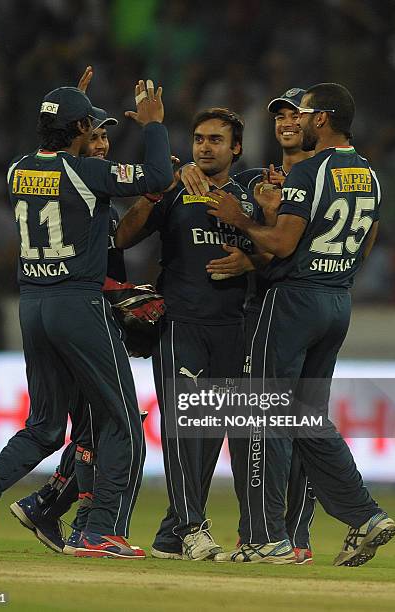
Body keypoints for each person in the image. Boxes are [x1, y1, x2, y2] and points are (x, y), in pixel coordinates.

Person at [0, 79, 174, 560]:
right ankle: (100, 531)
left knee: (47, 424)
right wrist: (154, 124)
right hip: (77, 303)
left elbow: (50, 169)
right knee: (123, 422)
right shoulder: (86, 173)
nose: (94, 130)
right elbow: (158, 175)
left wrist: (67, 105)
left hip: (33, 304)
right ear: (77, 129)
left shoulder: (16, 171)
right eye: (88, 123)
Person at [202, 82, 395, 566]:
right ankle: (364, 514)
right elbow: (368, 237)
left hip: (293, 300)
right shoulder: (369, 175)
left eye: (305, 114)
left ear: (322, 119)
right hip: (337, 300)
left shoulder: (310, 170)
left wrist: (243, 219)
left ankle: (267, 538)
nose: (298, 121)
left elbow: (283, 244)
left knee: (266, 412)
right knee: (305, 417)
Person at [115, 108, 258, 561]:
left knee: (210, 433)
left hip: (233, 326)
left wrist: (251, 260)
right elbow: (123, 237)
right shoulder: (175, 188)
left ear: (236, 148)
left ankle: (170, 537)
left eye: (216, 139)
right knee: (183, 430)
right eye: (199, 138)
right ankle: (193, 527)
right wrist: (155, 192)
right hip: (181, 322)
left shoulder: (249, 197)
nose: (205, 146)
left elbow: (278, 251)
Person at [182, 88, 316, 564]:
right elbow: (261, 244)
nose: (286, 122)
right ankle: (260, 532)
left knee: (290, 423)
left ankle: (288, 535)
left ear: (317, 122)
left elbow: (281, 248)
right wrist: (184, 171)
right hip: (254, 318)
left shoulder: (319, 179)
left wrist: (254, 258)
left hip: (295, 312)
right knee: (252, 429)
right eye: (279, 115)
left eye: (295, 115)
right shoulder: (257, 180)